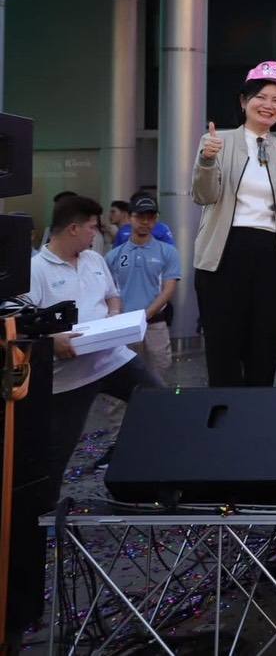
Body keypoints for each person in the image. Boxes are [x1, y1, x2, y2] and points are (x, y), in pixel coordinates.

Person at [30, 195, 163, 500]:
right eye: (92, 227)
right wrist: (52, 340)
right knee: (56, 452)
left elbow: (112, 295)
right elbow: (20, 324)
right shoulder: (36, 269)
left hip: (113, 358)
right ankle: (41, 513)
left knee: (161, 403)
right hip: (70, 375)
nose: (96, 234)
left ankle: (141, 478)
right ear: (73, 228)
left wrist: (114, 315)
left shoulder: (94, 259)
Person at [191, 61, 276, 387]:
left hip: (271, 257)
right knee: (223, 349)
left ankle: (257, 414)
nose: (269, 105)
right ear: (244, 101)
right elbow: (203, 195)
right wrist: (206, 160)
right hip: (223, 254)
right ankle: (223, 414)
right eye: (261, 97)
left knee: (264, 349)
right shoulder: (217, 141)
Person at [105, 194, 182, 383]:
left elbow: (168, 289)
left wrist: (145, 315)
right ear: (130, 217)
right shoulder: (113, 256)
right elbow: (108, 292)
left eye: (151, 217)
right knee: (126, 379)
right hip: (124, 326)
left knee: (160, 377)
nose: (145, 222)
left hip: (155, 325)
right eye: (140, 216)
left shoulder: (168, 252)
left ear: (156, 219)